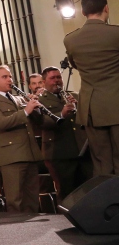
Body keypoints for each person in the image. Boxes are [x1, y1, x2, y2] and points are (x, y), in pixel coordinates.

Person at [63, 0, 119, 176]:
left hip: (91, 108)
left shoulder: (70, 39)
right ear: (106, 8)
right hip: (116, 102)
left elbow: (75, 65)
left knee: (102, 162)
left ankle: (106, 195)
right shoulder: (116, 34)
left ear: (82, 12)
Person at [0, 65, 42, 213]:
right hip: (12, 156)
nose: (10, 79)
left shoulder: (18, 98)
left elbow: (36, 122)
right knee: (15, 200)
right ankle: (15, 227)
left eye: (10, 76)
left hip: (29, 152)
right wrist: (26, 111)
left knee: (32, 198)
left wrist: (36, 108)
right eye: (5, 77)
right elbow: (0, 123)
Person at [37, 66, 92, 200]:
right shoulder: (40, 101)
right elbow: (41, 123)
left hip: (81, 149)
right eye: (52, 78)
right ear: (44, 82)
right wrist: (61, 114)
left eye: (58, 77)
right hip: (59, 153)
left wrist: (79, 107)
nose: (57, 81)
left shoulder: (73, 95)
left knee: (88, 189)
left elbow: (88, 119)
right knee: (67, 191)